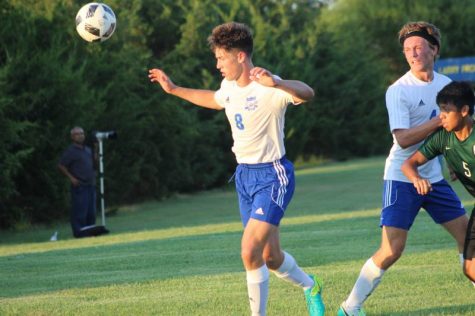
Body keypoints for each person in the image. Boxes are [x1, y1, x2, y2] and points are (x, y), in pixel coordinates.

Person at [148, 22, 324, 316]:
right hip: (244, 177)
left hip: (273, 176)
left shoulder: (268, 84)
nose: (217, 64)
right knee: (271, 257)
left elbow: (308, 93)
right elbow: (215, 100)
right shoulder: (229, 87)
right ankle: (310, 286)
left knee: (248, 252)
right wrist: (174, 89)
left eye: (221, 58)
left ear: (240, 56)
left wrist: (278, 83)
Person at [337, 21, 469, 316]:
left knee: (468, 239)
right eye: (408, 49)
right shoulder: (398, 91)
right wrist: (440, 119)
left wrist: (455, 160)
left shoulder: (447, 85)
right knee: (392, 250)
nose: (413, 53)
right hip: (401, 177)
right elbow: (403, 137)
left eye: (418, 47)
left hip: (433, 178)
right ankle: (350, 307)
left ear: (433, 49)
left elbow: (454, 131)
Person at [402, 81, 475, 283]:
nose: (440, 115)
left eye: (446, 110)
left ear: (464, 110)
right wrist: (416, 178)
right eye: (440, 109)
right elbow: (408, 164)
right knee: (469, 268)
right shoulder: (442, 138)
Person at [59, 126, 105, 238]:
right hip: (80, 186)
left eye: (82, 133)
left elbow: (94, 164)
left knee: (91, 212)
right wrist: (71, 178)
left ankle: (90, 232)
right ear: (72, 137)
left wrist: (96, 149)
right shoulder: (70, 151)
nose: (80, 136)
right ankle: (79, 233)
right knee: (80, 211)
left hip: (91, 185)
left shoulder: (87, 149)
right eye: (77, 134)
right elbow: (61, 165)